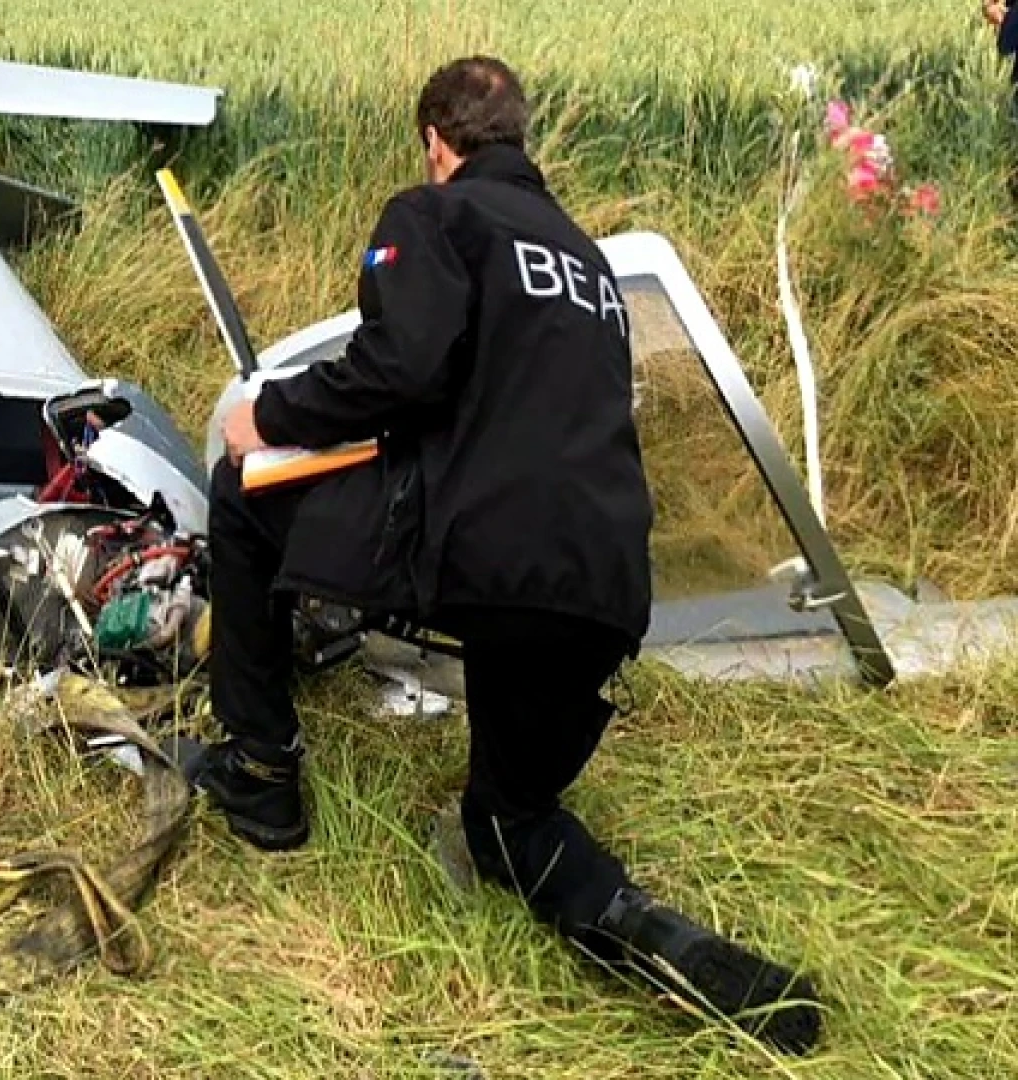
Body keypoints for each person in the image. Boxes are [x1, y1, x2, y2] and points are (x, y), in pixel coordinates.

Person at [186, 56, 824, 1053]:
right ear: (520, 141)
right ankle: (649, 928)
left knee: (242, 496)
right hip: (604, 590)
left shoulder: (437, 216)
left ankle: (262, 772)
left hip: (481, 556)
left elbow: (400, 369)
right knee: (510, 821)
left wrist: (266, 414)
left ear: (437, 146)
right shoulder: (591, 262)